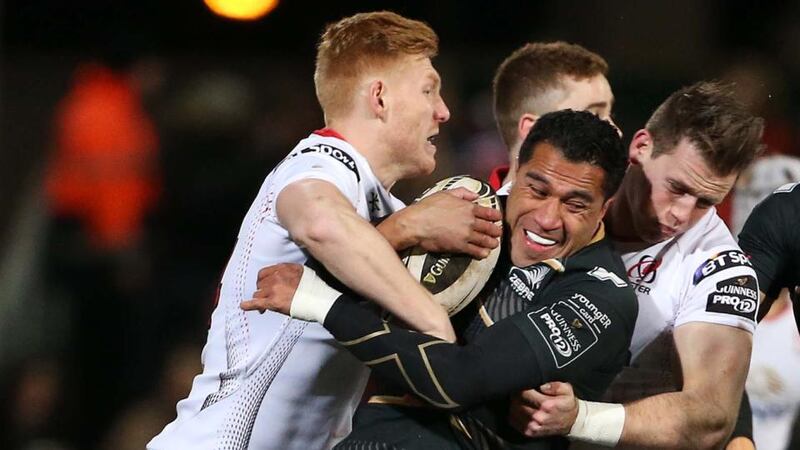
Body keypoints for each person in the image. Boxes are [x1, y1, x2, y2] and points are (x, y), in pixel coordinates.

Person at [148, 11, 502, 450]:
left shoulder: (381, 202)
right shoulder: (321, 162)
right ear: (379, 98)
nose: (443, 111)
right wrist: (430, 312)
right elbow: (318, 220)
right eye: (429, 90)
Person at [243, 109, 638, 449]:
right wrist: (404, 226)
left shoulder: (601, 296)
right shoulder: (464, 213)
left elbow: (459, 381)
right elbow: (298, 280)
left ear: (605, 209)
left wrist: (324, 305)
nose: (548, 219)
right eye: (537, 190)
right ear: (516, 173)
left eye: (575, 205)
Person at [510, 81, 765, 449]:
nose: (680, 215)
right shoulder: (574, 187)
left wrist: (580, 418)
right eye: (676, 188)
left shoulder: (722, 270)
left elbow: (712, 415)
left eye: (705, 203)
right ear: (641, 147)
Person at [488, 41, 614, 188]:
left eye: (611, 115)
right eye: (594, 115)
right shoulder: (465, 209)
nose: (617, 131)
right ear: (533, 130)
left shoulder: (622, 208)